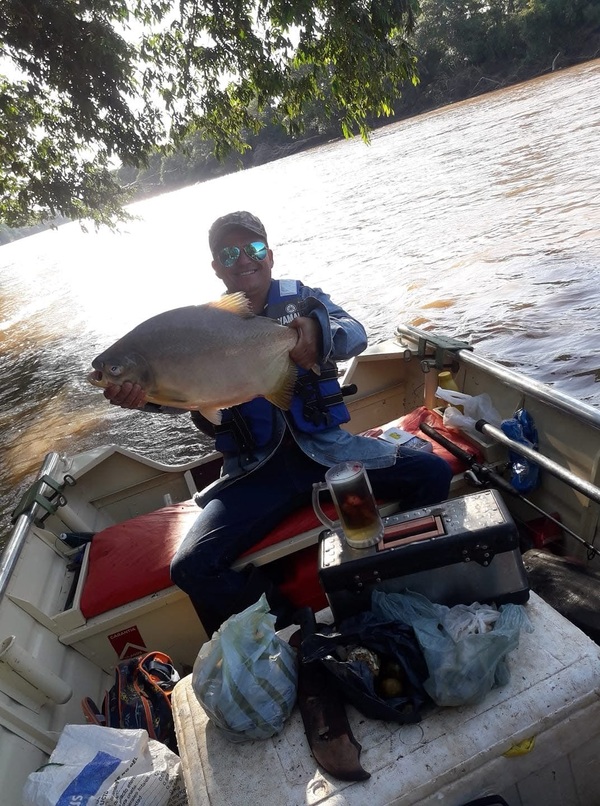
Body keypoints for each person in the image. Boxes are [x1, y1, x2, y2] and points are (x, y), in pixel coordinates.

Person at [104, 211, 453, 633]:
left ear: (268, 254)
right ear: (216, 267)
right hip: (254, 475)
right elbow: (182, 400)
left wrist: (319, 333)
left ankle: (397, 583)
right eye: (228, 253)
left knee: (432, 472)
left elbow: (355, 332)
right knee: (193, 567)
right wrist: (144, 401)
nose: (243, 260)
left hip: (328, 454)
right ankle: (293, 628)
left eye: (252, 249)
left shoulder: (305, 300)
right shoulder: (200, 327)